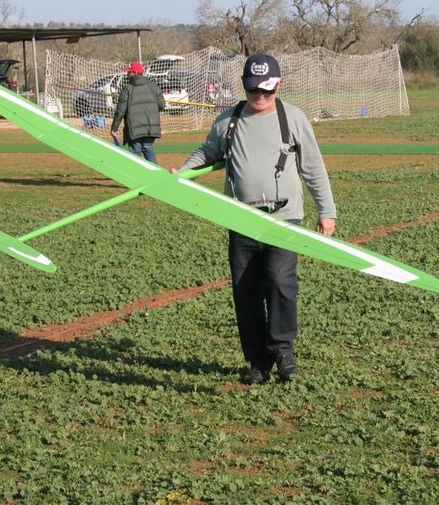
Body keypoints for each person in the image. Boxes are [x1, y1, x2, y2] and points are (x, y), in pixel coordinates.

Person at [172, 53, 337, 385]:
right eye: (253, 90)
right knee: (245, 291)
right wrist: (183, 173)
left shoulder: (293, 118)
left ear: (279, 86)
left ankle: (283, 352)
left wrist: (327, 211)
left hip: (284, 218)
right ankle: (258, 362)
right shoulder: (228, 120)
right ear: (244, 87)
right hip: (241, 218)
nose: (259, 96)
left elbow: (313, 167)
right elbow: (207, 152)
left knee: (280, 282)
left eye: (266, 90)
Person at [110, 61, 165, 164]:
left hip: (134, 128)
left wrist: (114, 128)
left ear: (134, 73)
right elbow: (162, 105)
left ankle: (135, 173)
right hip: (150, 126)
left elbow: (120, 110)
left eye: (129, 72)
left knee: (135, 154)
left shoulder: (127, 89)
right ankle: (156, 172)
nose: (127, 74)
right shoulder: (153, 86)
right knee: (148, 149)